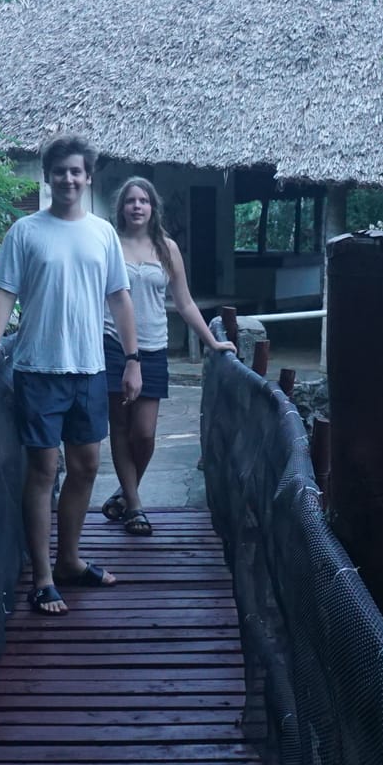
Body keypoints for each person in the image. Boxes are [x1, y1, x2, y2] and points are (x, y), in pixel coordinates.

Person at [0, 137, 141, 616]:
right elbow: (5, 291)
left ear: (88, 177)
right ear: (48, 176)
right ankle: (42, 578)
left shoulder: (103, 233)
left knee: (86, 467)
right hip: (38, 368)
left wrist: (133, 359)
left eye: (76, 171)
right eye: (60, 171)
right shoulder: (26, 231)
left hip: (90, 368)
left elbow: (119, 297)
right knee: (43, 471)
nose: (68, 179)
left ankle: (69, 561)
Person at [99, 177, 234, 536]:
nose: (137, 206)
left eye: (143, 201)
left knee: (144, 434)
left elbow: (184, 302)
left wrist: (212, 342)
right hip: (112, 344)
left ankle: (124, 493)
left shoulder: (166, 248)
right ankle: (135, 506)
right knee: (120, 428)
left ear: (153, 207)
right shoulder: (110, 244)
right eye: (131, 201)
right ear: (122, 207)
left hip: (154, 347)